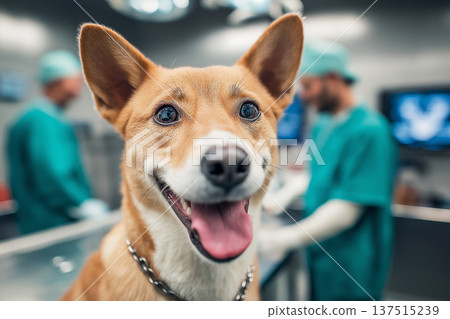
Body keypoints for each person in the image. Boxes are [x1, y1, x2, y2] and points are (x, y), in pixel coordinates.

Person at [259, 40, 398, 301]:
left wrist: (279, 240)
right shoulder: (323, 124)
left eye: (308, 86)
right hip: (320, 250)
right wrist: (282, 198)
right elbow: (317, 174)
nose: (304, 96)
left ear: (332, 78)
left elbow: (348, 209)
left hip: (353, 258)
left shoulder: (371, 131)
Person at [7, 50, 108, 234]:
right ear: (58, 81)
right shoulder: (43, 120)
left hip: (41, 218)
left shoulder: (36, 117)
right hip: (53, 221)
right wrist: (79, 203)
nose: (80, 85)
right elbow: (51, 172)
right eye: (76, 79)